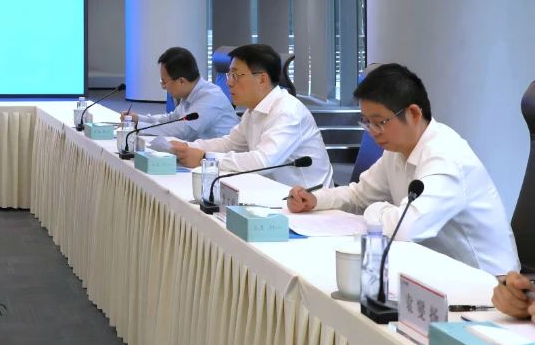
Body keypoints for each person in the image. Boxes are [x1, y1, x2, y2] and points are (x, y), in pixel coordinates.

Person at [285, 64, 517, 275]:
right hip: (435, 270)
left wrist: (376, 209)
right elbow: (359, 195)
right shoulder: (396, 150)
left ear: (413, 113)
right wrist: (316, 199)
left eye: (379, 122)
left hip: (488, 284)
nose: (372, 131)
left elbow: (406, 228)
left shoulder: (445, 157)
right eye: (366, 122)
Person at [172, 43, 332, 189]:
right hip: (274, 194)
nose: (229, 82)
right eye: (229, 75)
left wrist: (206, 158)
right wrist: (188, 147)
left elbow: (263, 161)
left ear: (262, 79)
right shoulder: (253, 110)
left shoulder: (287, 111)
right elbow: (230, 144)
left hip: (309, 202)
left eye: (236, 75)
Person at [123, 47, 239, 150]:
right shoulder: (190, 92)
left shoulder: (211, 98)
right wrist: (138, 119)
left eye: (164, 82)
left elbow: (183, 130)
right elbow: (171, 119)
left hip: (218, 158)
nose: (163, 87)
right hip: (199, 153)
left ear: (181, 81)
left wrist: (138, 127)